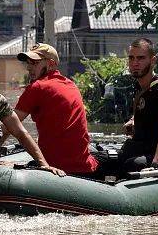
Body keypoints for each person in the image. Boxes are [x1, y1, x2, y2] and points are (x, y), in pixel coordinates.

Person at [6, 43, 98, 176]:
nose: (29, 68)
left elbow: (9, 125)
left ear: (50, 64)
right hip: (86, 166)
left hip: (57, 169)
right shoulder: (71, 85)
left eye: (35, 63)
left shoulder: (37, 87)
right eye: (28, 63)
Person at [119, 38, 158, 173]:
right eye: (131, 58)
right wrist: (133, 120)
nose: (135, 63)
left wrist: (155, 166)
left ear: (153, 61)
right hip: (146, 147)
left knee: (133, 165)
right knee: (111, 159)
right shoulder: (141, 88)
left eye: (140, 58)